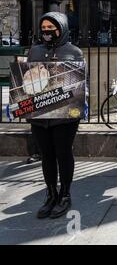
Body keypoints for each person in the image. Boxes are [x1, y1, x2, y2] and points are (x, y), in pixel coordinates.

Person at [27, 12, 84, 219]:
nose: (47, 32)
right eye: (44, 28)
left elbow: (78, 81)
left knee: (63, 152)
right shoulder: (34, 50)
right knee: (46, 154)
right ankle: (51, 194)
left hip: (65, 115)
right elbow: (27, 79)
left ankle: (65, 194)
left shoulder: (74, 51)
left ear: (61, 28)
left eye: (52, 28)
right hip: (40, 114)